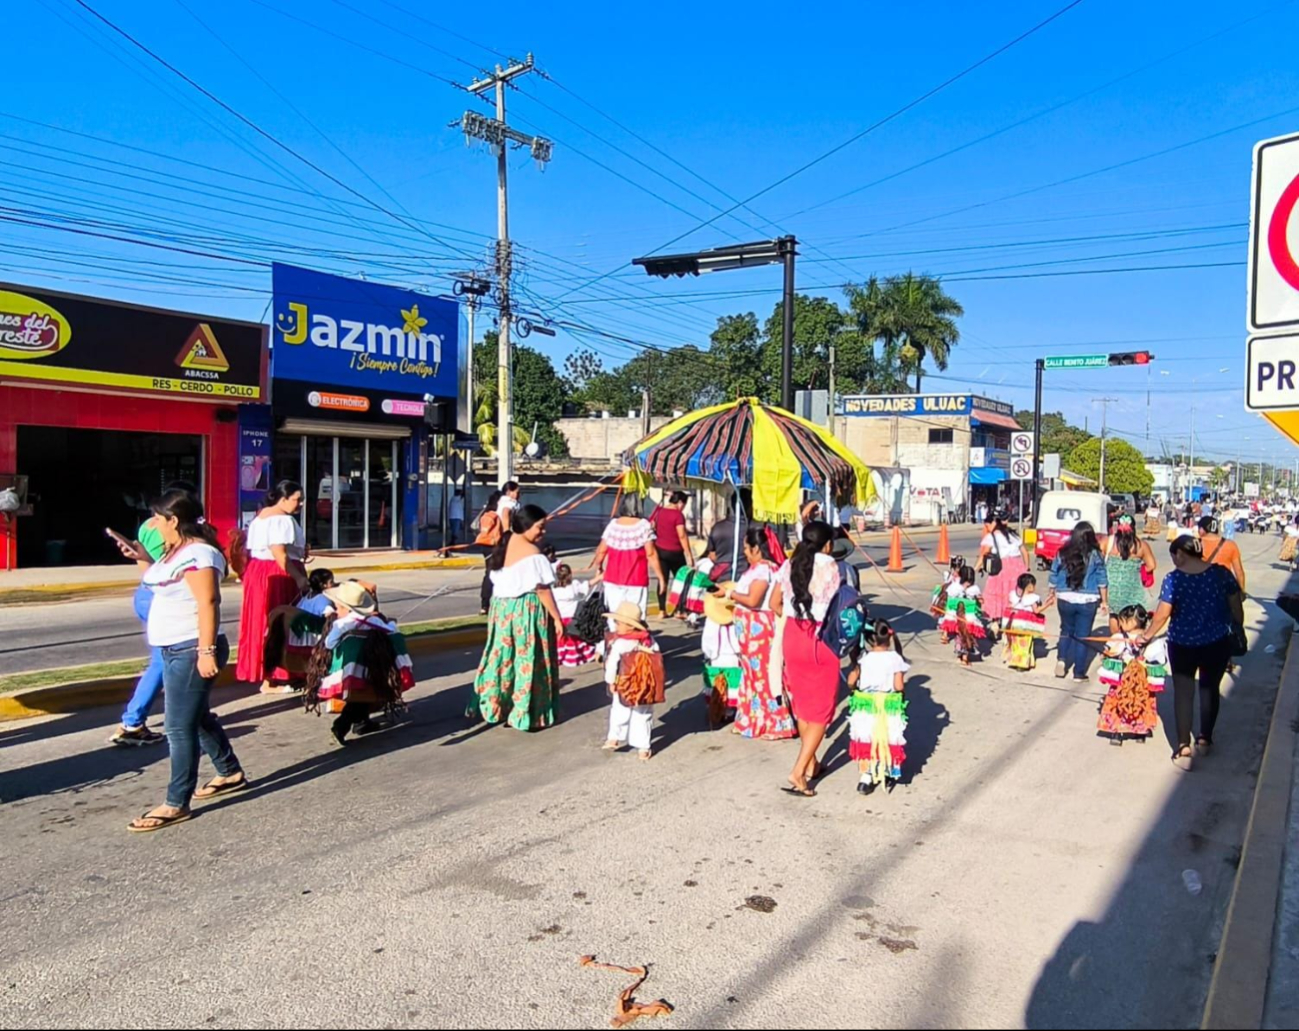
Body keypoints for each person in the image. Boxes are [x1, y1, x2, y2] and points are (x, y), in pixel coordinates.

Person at [127, 490, 245, 832]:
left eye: (157, 518)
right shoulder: (173, 551)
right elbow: (159, 584)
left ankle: (176, 802)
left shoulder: (200, 554)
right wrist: (142, 557)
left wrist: (205, 652)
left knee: (178, 727)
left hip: (190, 648)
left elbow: (209, 602)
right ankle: (229, 772)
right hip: (171, 648)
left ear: (174, 520)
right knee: (196, 717)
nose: (153, 524)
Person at [1138, 535, 1244, 771]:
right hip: (1216, 642)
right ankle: (1205, 739)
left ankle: (1183, 747)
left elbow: (1162, 614)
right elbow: (1236, 605)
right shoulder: (1221, 574)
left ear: (1180, 554)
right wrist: (1238, 625)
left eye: (1173, 556)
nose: (1173, 561)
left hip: (1182, 644)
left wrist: (1146, 636)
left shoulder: (1174, 579)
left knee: (1183, 694)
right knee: (1210, 688)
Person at [109, 479, 199, 747]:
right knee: (165, 660)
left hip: (147, 591)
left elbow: (148, 570)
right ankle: (132, 722)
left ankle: (191, 712)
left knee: (170, 659)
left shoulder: (148, 526)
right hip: (162, 595)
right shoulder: (178, 532)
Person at [470, 504, 563, 731]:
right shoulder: (534, 555)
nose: (543, 532)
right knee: (528, 659)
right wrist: (557, 618)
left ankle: (496, 705)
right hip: (526, 611)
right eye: (540, 527)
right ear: (527, 525)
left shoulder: (504, 543)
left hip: (501, 610)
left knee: (502, 658)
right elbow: (542, 590)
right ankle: (524, 712)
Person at [768, 521, 841, 798]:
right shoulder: (830, 566)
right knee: (822, 710)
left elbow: (774, 603)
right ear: (828, 544)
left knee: (804, 706)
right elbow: (836, 603)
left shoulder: (789, 564)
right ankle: (798, 771)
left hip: (793, 635)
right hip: (819, 638)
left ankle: (812, 763)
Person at [304, 580, 414, 746]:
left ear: (347, 608)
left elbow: (329, 644)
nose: (336, 611)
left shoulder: (342, 624)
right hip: (375, 667)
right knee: (365, 694)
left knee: (358, 697)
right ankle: (359, 723)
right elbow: (391, 631)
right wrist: (391, 623)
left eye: (338, 607)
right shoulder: (375, 621)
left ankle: (342, 727)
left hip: (351, 670)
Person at [236, 481, 309, 693]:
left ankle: (271, 675)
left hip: (259, 571)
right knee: (280, 623)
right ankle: (275, 675)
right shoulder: (282, 520)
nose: (300, 504)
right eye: (297, 499)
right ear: (283, 499)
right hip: (278, 572)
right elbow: (279, 554)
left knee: (262, 621)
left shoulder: (261, 517)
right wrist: (298, 578)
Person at [725, 528, 795, 741]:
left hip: (759, 630)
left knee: (765, 676)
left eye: (747, 548)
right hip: (750, 633)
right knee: (752, 676)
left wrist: (731, 593)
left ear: (757, 549)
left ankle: (776, 723)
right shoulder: (757, 569)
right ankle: (752, 720)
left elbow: (753, 600)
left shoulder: (764, 570)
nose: (745, 552)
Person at [846, 619, 908, 795]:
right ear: (889, 637)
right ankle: (888, 772)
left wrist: (853, 687)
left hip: (866, 704)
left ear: (868, 639)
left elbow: (851, 680)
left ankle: (865, 777)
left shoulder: (863, 658)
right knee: (888, 736)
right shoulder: (895, 658)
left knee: (866, 737)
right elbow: (899, 686)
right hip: (888, 704)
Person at [602, 601, 666, 760]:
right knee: (643, 713)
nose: (615, 625)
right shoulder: (649, 640)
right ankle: (643, 747)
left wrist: (611, 681)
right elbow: (656, 658)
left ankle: (614, 737)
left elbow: (612, 664)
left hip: (624, 683)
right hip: (645, 683)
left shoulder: (620, 643)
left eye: (618, 623)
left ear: (630, 626)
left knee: (619, 708)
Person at [1047, 521, 1110, 682]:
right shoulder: (1096, 554)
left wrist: (1051, 592)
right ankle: (1078, 673)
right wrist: (1104, 601)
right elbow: (1102, 580)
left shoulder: (1062, 552)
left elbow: (1054, 573)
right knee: (1083, 636)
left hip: (1065, 597)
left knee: (1066, 630)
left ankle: (1061, 660)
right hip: (1087, 600)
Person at [1096, 604, 1167, 744]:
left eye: (1122, 621)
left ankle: (1116, 732)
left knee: (1118, 703)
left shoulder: (1118, 637)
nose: (1120, 624)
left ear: (1133, 622)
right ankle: (1140, 732)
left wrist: (1106, 656)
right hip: (1142, 682)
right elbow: (1160, 659)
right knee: (1143, 703)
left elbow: (1108, 652)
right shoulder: (1153, 640)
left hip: (1122, 680)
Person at [591, 495, 666, 624]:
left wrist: (599, 567)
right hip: (636, 580)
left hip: (612, 579)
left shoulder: (613, 525)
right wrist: (660, 577)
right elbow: (651, 554)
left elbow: (601, 550)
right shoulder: (644, 525)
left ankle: (615, 636)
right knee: (635, 618)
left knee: (614, 617)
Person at [1104, 514, 1157, 631]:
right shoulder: (1141, 545)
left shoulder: (1109, 542)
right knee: (1134, 617)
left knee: (1114, 615)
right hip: (1133, 588)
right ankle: (1131, 639)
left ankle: (1116, 639)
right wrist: (1139, 570)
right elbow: (1151, 565)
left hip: (1114, 589)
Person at [978, 510, 1031, 622]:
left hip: (1001, 569)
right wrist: (1026, 569)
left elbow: (984, 555)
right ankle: (1013, 619)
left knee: (997, 595)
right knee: (1016, 596)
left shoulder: (991, 537)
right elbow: (1025, 553)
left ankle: (998, 620)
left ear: (994, 523)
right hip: (1018, 568)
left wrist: (974, 569)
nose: (987, 528)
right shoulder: (1014, 535)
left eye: (988, 525)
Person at [649, 491, 694, 616]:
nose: (683, 507)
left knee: (662, 580)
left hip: (660, 550)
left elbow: (653, 527)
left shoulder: (659, 512)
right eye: (684, 504)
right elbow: (682, 535)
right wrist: (688, 554)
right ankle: (680, 609)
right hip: (675, 553)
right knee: (681, 580)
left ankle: (662, 610)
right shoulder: (678, 515)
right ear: (680, 502)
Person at [938, 565, 990, 667]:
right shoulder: (973, 589)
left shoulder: (955, 587)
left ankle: (960, 656)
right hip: (966, 617)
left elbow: (949, 598)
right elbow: (980, 600)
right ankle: (964, 657)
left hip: (957, 617)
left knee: (960, 636)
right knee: (966, 636)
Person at [1003, 572, 1050, 671]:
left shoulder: (1014, 595)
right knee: (1025, 644)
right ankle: (1022, 663)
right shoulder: (1033, 598)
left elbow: (1010, 607)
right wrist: (1047, 604)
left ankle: (1014, 661)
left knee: (1015, 643)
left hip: (1014, 623)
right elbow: (1036, 611)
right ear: (1030, 586)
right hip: (1026, 625)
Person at [554, 563, 597, 667]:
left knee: (561, 639)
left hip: (559, 619)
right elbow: (588, 584)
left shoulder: (553, 590)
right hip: (573, 618)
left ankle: (561, 656)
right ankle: (577, 656)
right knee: (575, 638)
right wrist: (599, 577)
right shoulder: (574, 586)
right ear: (570, 575)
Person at [1197, 517, 1247, 594]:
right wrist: (1241, 592)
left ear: (1202, 529)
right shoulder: (1230, 545)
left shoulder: (1195, 544)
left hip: (1202, 587)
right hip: (1224, 587)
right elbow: (1239, 571)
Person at [706, 494, 750, 581]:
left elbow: (712, 556)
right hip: (747, 578)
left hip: (721, 576)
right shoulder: (754, 528)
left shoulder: (717, 527)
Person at [930, 554, 966, 643]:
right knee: (954, 615)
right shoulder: (962, 577)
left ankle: (945, 634)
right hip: (956, 598)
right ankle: (950, 633)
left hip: (950, 597)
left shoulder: (949, 575)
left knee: (948, 615)